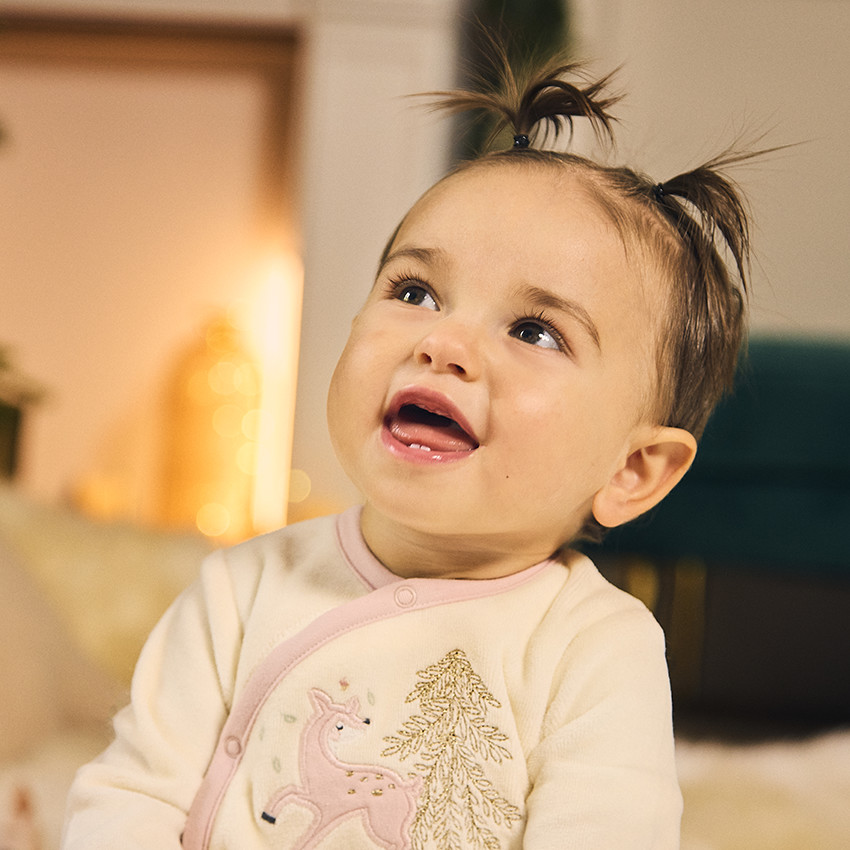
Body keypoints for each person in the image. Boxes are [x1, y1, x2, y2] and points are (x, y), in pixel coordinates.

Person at [62, 51, 759, 850]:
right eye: (414, 291)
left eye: (534, 331)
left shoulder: (593, 649)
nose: (445, 341)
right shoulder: (240, 587)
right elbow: (132, 795)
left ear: (632, 471)